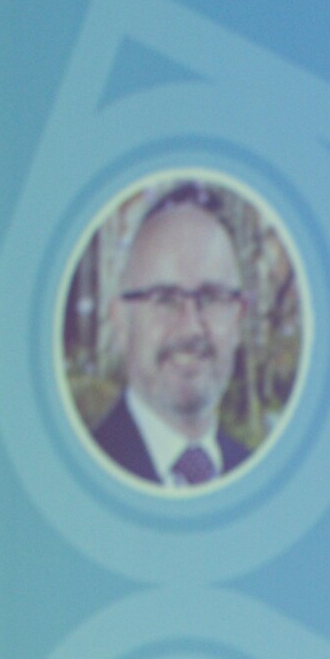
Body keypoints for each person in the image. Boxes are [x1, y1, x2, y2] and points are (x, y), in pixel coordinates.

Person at [89, 182, 257, 490]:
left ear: (238, 318)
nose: (191, 327)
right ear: (121, 320)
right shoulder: (81, 474)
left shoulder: (259, 476)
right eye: (164, 299)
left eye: (211, 297)